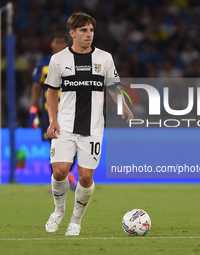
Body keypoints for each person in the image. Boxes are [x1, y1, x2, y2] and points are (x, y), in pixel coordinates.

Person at [44, 12, 133, 236]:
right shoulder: (58, 59)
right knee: (60, 172)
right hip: (65, 125)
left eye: (91, 30)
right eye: (83, 30)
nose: (89, 34)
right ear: (72, 33)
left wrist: (123, 104)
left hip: (93, 127)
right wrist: (52, 119)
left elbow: (113, 87)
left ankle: (76, 220)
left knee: (85, 177)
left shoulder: (104, 58)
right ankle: (58, 211)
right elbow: (52, 93)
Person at [29, 32, 77, 192]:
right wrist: (33, 109)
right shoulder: (44, 64)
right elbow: (36, 87)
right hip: (49, 112)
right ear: (52, 44)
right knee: (53, 145)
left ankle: (67, 173)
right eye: (57, 42)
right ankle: (56, 181)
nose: (61, 45)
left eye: (64, 42)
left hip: (71, 110)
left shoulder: (74, 61)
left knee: (75, 143)